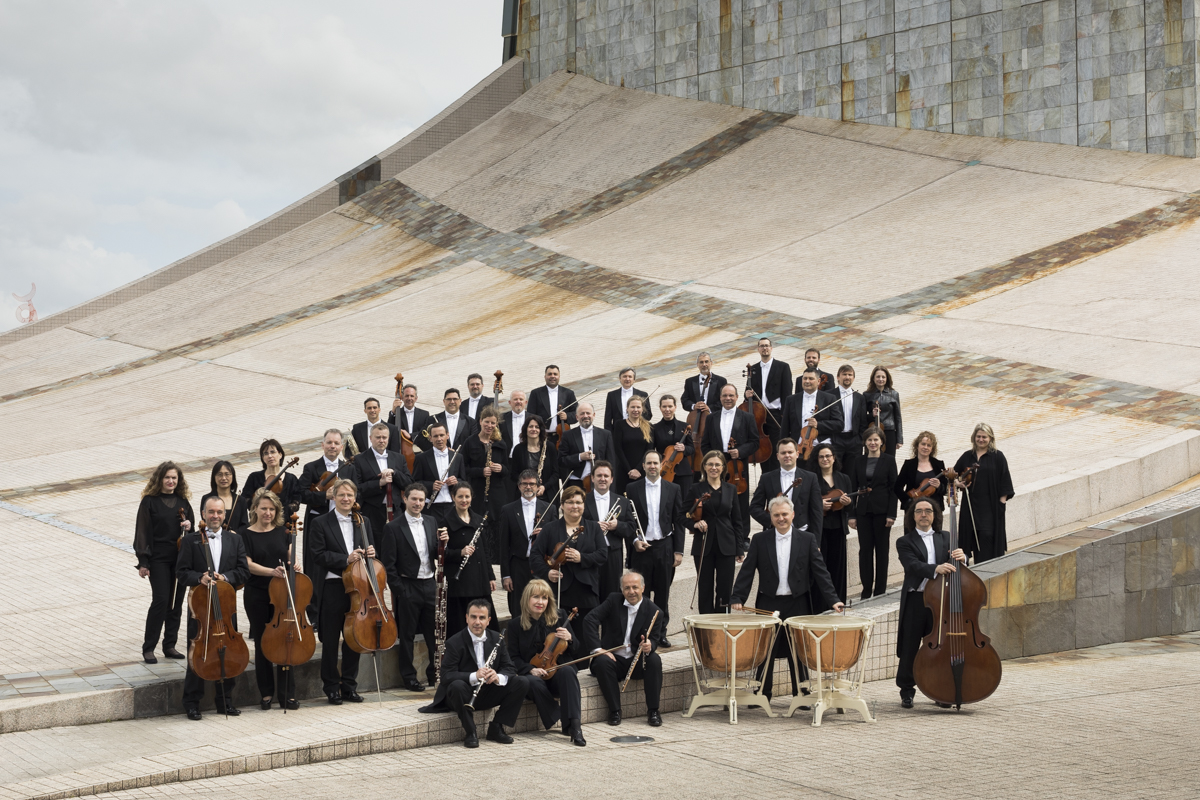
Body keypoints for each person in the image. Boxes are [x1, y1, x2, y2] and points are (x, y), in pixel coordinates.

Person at [731, 497, 843, 700]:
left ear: (793, 515)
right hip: (768, 602)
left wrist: (833, 599)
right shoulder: (760, 539)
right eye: (776, 515)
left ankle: (801, 693)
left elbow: (821, 572)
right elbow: (747, 571)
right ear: (771, 517)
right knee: (765, 651)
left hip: (798, 602)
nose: (781, 518)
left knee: (799, 652)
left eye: (784, 514)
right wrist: (738, 596)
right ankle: (762, 694)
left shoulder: (807, 539)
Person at [177, 495, 250, 720]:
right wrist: (199, 578)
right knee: (197, 654)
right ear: (203, 514)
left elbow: (243, 572)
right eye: (211, 512)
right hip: (200, 609)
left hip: (226, 608)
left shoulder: (235, 540)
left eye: (219, 512)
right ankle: (192, 702)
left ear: (224, 515)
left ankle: (225, 701)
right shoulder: (190, 541)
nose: (215, 516)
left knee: (227, 652)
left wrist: (225, 577)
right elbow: (181, 573)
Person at [424, 599, 529, 748]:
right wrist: (475, 675)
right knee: (456, 686)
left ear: (488, 620)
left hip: (487, 691)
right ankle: (470, 732)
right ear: (466, 618)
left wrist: (497, 677)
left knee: (522, 682)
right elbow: (446, 676)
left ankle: (497, 727)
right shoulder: (454, 642)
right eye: (473, 617)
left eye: (482, 618)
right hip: (462, 695)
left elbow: (510, 668)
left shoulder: (497, 638)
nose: (477, 622)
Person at [307, 479, 374, 704]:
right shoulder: (320, 523)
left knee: (354, 638)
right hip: (334, 586)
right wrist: (345, 559)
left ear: (355, 498)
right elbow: (317, 554)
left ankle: (349, 686)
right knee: (330, 639)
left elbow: (370, 550)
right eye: (342, 495)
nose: (346, 499)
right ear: (334, 497)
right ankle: (331, 687)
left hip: (359, 587)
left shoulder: (363, 521)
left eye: (350, 495)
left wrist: (371, 552)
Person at [895, 497, 966, 708]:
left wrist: (962, 558)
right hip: (916, 600)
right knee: (909, 646)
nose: (923, 514)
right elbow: (912, 565)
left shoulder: (946, 537)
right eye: (919, 511)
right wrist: (935, 568)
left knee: (940, 647)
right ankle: (907, 691)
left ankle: (939, 692)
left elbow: (956, 564)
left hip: (940, 599)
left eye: (928, 511)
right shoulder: (904, 541)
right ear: (913, 516)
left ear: (935, 515)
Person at [379, 483, 447, 692]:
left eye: (421, 500)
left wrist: (444, 544)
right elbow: (388, 565)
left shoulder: (431, 521)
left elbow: (434, 552)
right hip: (408, 585)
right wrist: (401, 591)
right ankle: (409, 677)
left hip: (429, 584)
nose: (418, 503)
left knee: (433, 633)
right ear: (405, 499)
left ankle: (434, 673)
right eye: (414, 499)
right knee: (407, 635)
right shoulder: (393, 527)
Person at [505, 579, 586, 746]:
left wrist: (570, 639)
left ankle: (575, 727)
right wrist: (530, 669)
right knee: (531, 681)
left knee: (568, 671)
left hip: (556, 675)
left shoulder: (560, 617)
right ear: (527, 599)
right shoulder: (515, 625)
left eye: (544, 598)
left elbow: (576, 649)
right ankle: (558, 716)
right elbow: (513, 658)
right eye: (536, 597)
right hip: (534, 680)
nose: (540, 602)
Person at [240, 488, 300, 710]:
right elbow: (247, 564)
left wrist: (294, 564)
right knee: (263, 642)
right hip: (257, 594)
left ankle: (287, 694)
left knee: (285, 640)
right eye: (263, 508)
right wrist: (271, 572)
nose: (268, 513)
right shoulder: (245, 534)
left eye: (272, 509)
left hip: (282, 593)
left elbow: (290, 555)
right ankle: (266, 693)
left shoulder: (284, 531)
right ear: (255, 509)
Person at [584, 572, 664, 727]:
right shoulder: (613, 600)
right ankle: (614, 710)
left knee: (654, 660)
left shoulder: (655, 611)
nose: (631, 591)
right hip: (614, 660)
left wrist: (649, 646)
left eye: (635, 587)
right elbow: (590, 619)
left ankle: (653, 711)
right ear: (621, 589)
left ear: (643, 588)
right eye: (627, 588)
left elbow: (654, 639)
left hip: (637, 661)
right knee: (602, 662)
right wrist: (598, 649)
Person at [134, 461, 194, 664]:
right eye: (167, 477)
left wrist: (189, 526)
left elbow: (193, 532)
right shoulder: (149, 502)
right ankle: (149, 647)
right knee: (161, 600)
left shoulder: (183, 502)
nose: (171, 481)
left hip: (179, 558)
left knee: (176, 602)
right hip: (158, 558)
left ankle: (169, 645)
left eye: (174, 478)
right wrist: (143, 561)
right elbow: (142, 531)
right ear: (159, 479)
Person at [624, 451, 685, 647]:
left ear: (661, 465)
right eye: (648, 463)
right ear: (643, 466)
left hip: (664, 546)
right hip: (641, 548)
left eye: (655, 463)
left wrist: (678, 551)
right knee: (641, 594)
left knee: (662, 593)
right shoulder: (632, 488)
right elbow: (628, 520)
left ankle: (660, 634)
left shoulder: (673, 488)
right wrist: (634, 541)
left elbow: (679, 521)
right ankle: (641, 634)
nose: (652, 466)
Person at [298, 429, 356, 619]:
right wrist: (324, 496)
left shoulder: (348, 468)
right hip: (318, 523)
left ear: (341, 447)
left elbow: (357, 493)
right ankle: (314, 614)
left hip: (343, 523)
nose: (332, 446)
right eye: (329, 442)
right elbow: (301, 494)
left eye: (336, 443)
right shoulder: (311, 468)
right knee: (315, 566)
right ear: (322, 445)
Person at [531, 486, 607, 620]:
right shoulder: (550, 528)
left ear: (584, 505)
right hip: (559, 590)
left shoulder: (594, 527)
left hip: (587, 591)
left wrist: (581, 558)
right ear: (562, 505)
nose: (575, 506)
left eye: (578, 502)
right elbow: (535, 555)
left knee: (585, 629)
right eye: (570, 502)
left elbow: (602, 554)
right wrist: (547, 573)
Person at [686, 451, 746, 614]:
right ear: (704, 467)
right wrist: (695, 524)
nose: (714, 468)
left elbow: (737, 520)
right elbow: (682, 515)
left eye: (717, 464)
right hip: (703, 545)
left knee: (724, 589)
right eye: (710, 464)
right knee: (705, 588)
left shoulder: (731, 489)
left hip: (727, 545)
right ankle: (705, 625)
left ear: (723, 467)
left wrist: (739, 548)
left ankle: (722, 623)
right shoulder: (696, 488)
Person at [701, 383, 759, 534]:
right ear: (720, 398)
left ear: (737, 397)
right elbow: (705, 443)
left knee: (741, 502)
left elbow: (755, 442)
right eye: (725, 395)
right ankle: (719, 532)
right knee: (717, 499)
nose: (728, 398)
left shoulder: (747, 417)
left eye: (731, 395)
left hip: (738, 464)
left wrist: (740, 451)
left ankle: (743, 536)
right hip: (718, 464)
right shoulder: (711, 418)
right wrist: (713, 459)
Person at [953, 423, 1015, 563]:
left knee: (987, 537)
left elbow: (1005, 481)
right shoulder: (967, 456)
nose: (981, 439)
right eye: (978, 436)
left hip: (990, 507)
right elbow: (953, 475)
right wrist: (957, 483)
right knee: (970, 538)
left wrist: (1001, 504)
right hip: (971, 507)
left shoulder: (998, 456)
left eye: (984, 437)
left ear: (990, 438)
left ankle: (987, 570)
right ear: (974, 437)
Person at [850, 426, 899, 600]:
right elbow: (852, 488)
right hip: (863, 512)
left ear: (882, 442)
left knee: (882, 551)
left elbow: (894, 489)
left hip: (882, 512)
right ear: (865, 442)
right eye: (869, 440)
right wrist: (852, 515)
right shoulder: (858, 461)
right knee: (865, 551)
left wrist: (891, 514)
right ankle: (866, 590)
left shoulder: (889, 460)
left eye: (876, 440)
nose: (872, 443)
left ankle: (880, 590)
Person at [497, 470, 554, 617]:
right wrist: (505, 575)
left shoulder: (549, 509)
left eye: (532, 484)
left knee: (542, 607)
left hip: (541, 565)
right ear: (519, 486)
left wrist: (545, 534)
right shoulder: (508, 510)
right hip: (518, 565)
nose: (528, 487)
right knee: (517, 607)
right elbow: (503, 545)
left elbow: (555, 540)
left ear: (538, 486)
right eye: (524, 484)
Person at [444, 484, 498, 636]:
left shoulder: (479, 520)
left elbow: (485, 551)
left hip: (479, 580)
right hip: (459, 581)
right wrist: (459, 553)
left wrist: (491, 576)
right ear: (453, 497)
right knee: (460, 624)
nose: (464, 500)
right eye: (460, 496)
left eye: (467, 496)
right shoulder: (445, 522)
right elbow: (439, 553)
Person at [749, 438, 823, 536]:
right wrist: (771, 520)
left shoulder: (810, 478)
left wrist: (815, 541)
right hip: (774, 532)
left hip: (802, 533)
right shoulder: (766, 478)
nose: (787, 455)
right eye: (783, 453)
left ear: (797, 454)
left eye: (790, 452)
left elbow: (817, 511)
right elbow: (754, 507)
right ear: (777, 456)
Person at [582, 461, 634, 598]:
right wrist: (594, 527)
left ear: (611, 479)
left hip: (613, 554)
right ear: (592, 478)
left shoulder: (623, 501)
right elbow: (574, 525)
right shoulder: (582, 501)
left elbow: (631, 528)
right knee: (590, 594)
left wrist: (617, 526)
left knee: (612, 594)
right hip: (589, 553)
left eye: (606, 476)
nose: (602, 479)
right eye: (599, 475)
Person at [351, 422, 413, 535]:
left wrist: (395, 473)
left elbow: (409, 484)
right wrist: (379, 483)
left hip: (396, 511)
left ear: (388, 438)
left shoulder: (399, 458)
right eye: (378, 437)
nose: (381, 440)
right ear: (370, 438)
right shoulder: (359, 460)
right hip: (372, 512)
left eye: (384, 437)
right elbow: (357, 489)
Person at [745, 337, 792, 471]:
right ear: (758, 349)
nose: (764, 348)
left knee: (776, 447)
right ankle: (765, 475)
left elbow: (787, 392)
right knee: (762, 448)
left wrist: (784, 415)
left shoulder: (783, 367)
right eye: (762, 346)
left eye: (767, 346)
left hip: (775, 414)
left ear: (771, 348)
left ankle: (777, 475)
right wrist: (747, 394)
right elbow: (747, 392)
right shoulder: (753, 369)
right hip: (758, 416)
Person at [815, 444, 852, 606]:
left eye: (828, 456)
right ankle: (820, 604)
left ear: (834, 458)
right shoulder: (812, 479)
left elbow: (850, 507)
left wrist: (848, 502)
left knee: (837, 568)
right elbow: (807, 503)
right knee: (821, 567)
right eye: (821, 456)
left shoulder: (844, 479)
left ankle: (838, 602)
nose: (825, 459)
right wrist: (819, 505)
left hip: (838, 529)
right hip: (820, 529)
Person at [781, 369, 842, 468]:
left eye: (811, 378)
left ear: (818, 381)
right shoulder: (791, 399)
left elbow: (839, 424)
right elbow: (785, 427)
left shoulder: (829, 398)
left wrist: (818, 425)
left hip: (821, 446)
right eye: (805, 378)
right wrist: (783, 447)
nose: (807, 381)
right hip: (798, 448)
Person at [412, 422, 466, 523]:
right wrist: (431, 485)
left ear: (447, 435)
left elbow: (464, 481)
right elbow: (415, 483)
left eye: (442, 435)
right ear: (430, 438)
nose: (439, 439)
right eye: (435, 436)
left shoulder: (458, 457)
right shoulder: (421, 458)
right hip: (431, 507)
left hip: (453, 506)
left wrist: (456, 482)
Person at [463, 406, 509, 521]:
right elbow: (463, 468)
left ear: (496, 424)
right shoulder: (470, 442)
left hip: (496, 493)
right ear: (480, 421)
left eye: (493, 423)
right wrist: (480, 471)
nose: (489, 425)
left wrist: (501, 468)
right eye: (486, 422)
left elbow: (507, 469)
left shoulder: (500, 443)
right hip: (476, 491)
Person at [558, 401, 615, 489]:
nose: (585, 416)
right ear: (577, 417)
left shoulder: (605, 435)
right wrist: (580, 457)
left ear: (594, 415)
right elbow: (561, 460)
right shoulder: (568, 435)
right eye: (582, 414)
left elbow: (611, 461)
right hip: (576, 481)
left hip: (599, 482)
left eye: (588, 413)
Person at [241, 440, 300, 521]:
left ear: (280, 454)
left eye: (273, 452)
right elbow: (245, 499)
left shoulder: (291, 479)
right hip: (259, 522)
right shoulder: (254, 477)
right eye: (266, 453)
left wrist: (278, 512)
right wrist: (258, 505)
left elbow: (296, 502)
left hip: (283, 523)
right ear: (263, 458)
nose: (270, 456)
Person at [653, 394, 695, 499]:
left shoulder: (684, 426)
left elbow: (692, 449)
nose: (667, 409)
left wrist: (684, 448)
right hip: (664, 470)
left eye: (670, 406)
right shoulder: (655, 428)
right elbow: (652, 450)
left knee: (684, 501)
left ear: (675, 407)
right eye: (664, 406)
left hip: (683, 471)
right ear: (660, 408)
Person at [830, 365, 867, 479]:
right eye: (844, 374)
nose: (847, 377)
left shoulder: (859, 397)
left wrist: (859, 439)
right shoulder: (829, 395)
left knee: (852, 474)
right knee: (834, 472)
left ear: (853, 378)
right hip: (836, 439)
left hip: (854, 441)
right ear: (838, 377)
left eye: (850, 375)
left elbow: (863, 421)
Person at [613, 395, 654, 493]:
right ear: (627, 409)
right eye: (632, 407)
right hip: (624, 470)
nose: (635, 410)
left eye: (638, 407)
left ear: (642, 409)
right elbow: (618, 448)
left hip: (642, 471)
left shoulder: (649, 426)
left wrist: (638, 469)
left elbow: (649, 450)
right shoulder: (619, 424)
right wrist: (629, 470)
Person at [510, 415, 558, 500]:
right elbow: (514, 474)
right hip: (525, 493)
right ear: (526, 429)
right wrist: (528, 482)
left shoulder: (549, 447)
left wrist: (544, 487)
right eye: (531, 426)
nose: (534, 429)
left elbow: (556, 473)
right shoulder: (518, 449)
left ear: (541, 430)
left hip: (547, 494)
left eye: (537, 427)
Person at [895, 431, 946, 509]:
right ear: (917, 446)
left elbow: (946, 489)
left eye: (929, 445)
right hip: (913, 508)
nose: (925, 447)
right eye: (923, 444)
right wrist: (908, 501)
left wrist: (939, 486)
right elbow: (897, 487)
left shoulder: (939, 465)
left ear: (932, 449)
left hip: (934, 508)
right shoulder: (909, 465)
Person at [528, 364, 578, 443]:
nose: (552, 376)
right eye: (549, 374)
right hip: (543, 436)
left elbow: (577, 414)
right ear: (545, 376)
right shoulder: (536, 393)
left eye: (555, 374)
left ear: (559, 376)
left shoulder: (568, 393)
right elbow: (530, 415)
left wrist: (567, 416)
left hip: (563, 436)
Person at [862, 366, 903, 456]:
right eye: (878, 377)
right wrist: (872, 415)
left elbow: (898, 417)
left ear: (887, 378)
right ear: (873, 378)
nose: (880, 379)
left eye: (883, 377)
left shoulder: (894, 394)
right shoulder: (867, 394)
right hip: (872, 431)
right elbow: (863, 417)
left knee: (889, 458)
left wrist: (899, 439)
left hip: (889, 431)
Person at [200, 460, 243, 532]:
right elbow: (206, 521)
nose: (223, 478)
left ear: (233, 476)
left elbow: (244, 525)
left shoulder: (240, 500)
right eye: (220, 474)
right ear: (214, 477)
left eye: (227, 474)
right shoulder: (207, 499)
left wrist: (234, 535)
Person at [389, 383, 433, 451]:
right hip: (401, 450)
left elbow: (425, 433)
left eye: (412, 396)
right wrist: (393, 412)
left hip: (418, 450)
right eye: (407, 396)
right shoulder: (396, 413)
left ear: (416, 398)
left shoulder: (424, 414)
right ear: (402, 398)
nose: (409, 398)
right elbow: (389, 430)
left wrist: (411, 436)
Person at [500, 389, 529, 457]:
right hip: (507, 457)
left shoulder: (534, 418)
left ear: (525, 402)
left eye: (521, 399)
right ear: (510, 402)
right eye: (515, 399)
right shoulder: (501, 418)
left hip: (527, 457)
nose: (518, 401)